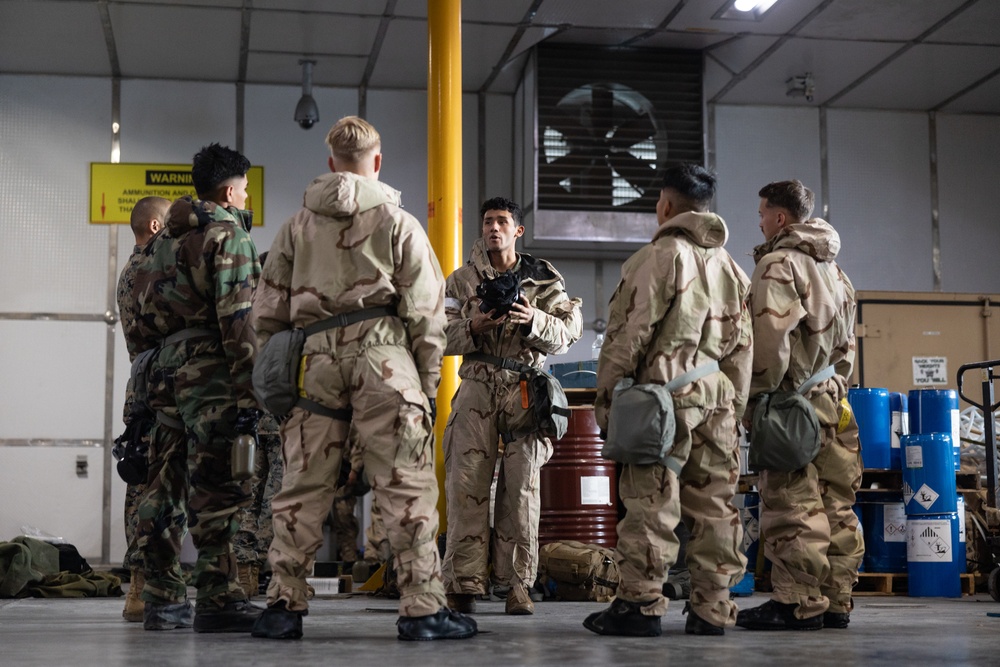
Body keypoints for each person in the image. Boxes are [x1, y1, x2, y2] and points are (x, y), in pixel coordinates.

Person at [250, 115, 476, 642]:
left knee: (301, 485)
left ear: (330, 164)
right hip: (384, 357)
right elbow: (426, 313)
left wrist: (285, 372)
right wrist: (421, 385)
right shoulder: (399, 223)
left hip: (315, 362)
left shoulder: (295, 227)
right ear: (377, 163)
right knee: (405, 483)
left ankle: (283, 605)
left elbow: (265, 316)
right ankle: (421, 608)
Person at [581, 164, 753, 637]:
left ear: (665, 205)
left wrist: (608, 401)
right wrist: (734, 409)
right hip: (718, 399)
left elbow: (626, 336)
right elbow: (742, 348)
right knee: (716, 506)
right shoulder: (732, 267)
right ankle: (712, 609)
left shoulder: (658, 257)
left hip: (664, 402)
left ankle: (639, 604)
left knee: (650, 503)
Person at [128, 143, 263, 632]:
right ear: (230, 191)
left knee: (163, 486)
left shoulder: (163, 241)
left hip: (163, 372)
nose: (246, 199)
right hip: (211, 374)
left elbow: (139, 311)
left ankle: (162, 598)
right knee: (217, 487)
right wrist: (250, 395)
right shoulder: (229, 234)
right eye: (245, 191)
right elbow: (239, 319)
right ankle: (218, 598)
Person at [441, 196, 583, 616]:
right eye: (487, 222)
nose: (493, 229)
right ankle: (463, 583)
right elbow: (436, 336)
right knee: (465, 485)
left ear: (517, 231)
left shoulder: (542, 280)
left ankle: (517, 585)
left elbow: (566, 333)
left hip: (526, 388)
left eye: (502, 222)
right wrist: (473, 325)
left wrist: (532, 319)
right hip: (477, 385)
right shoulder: (461, 281)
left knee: (521, 491)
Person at [735, 179, 863, 631]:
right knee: (836, 505)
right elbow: (848, 346)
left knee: (791, 503)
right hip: (834, 400)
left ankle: (796, 602)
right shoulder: (835, 269)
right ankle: (835, 602)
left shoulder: (778, 264)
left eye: (762, 213)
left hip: (791, 404)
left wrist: (755, 401)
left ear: (780, 218)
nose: (760, 221)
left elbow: (770, 345)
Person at [116, 196, 170, 622]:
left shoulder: (133, 270)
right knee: (154, 490)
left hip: (144, 390)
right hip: (160, 391)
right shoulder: (150, 271)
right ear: (154, 226)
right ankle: (142, 588)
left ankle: (139, 590)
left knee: (142, 489)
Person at [232, 251, 284, 601]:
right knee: (279, 497)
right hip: (280, 418)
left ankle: (247, 573)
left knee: (248, 496)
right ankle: (277, 573)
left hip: (249, 417)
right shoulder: (289, 312)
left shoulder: (242, 311)